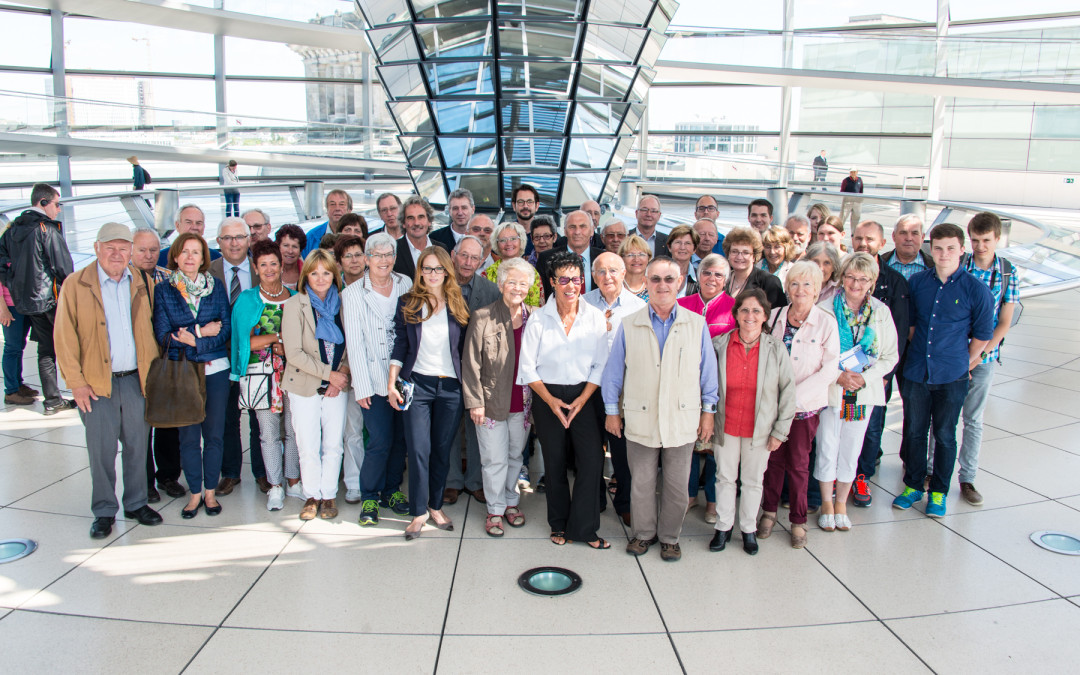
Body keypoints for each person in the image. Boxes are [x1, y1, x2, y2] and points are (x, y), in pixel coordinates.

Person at [603, 257, 718, 562]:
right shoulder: (630, 324)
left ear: (680, 282)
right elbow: (613, 373)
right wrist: (612, 411)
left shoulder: (696, 324)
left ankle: (670, 538)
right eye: (655, 279)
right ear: (647, 284)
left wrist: (709, 412)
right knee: (640, 483)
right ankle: (643, 535)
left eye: (669, 279)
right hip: (641, 418)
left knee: (678, 485)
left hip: (682, 418)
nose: (662, 285)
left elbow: (708, 373)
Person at [55, 222, 163, 538]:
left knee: (136, 445)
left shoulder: (142, 282)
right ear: (97, 248)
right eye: (110, 248)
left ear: (130, 250)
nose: (117, 254)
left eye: (123, 248)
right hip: (95, 383)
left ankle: (136, 502)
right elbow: (63, 338)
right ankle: (104, 510)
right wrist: (76, 383)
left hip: (135, 379)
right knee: (100, 450)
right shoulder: (76, 285)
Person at [893, 223, 994, 519]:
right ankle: (913, 485)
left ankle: (938, 491)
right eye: (938, 248)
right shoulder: (918, 284)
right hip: (916, 372)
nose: (944, 253)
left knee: (945, 434)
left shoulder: (976, 290)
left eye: (951, 248)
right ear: (930, 249)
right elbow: (910, 327)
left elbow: (983, 335)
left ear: (962, 250)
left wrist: (963, 363)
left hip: (952, 376)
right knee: (913, 431)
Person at [518, 251, 609, 549]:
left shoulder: (594, 317)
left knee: (592, 460)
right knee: (554, 462)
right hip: (548, 395)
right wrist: (552, 401)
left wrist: (583, 399)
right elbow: (528, 367)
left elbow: (600, 364)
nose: (571, 286)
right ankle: (558, 524)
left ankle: (584, 528)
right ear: (553, 282)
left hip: (586, 394)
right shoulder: (538, 320)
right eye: (564, 279)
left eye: (577, 279)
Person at [387, 247, 468, 540]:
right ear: (420, 271)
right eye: (427, 268)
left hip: (450, 387)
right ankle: (419, 512)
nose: (432, 274)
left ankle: (436, 506)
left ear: (447, 271)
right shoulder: (407, 303)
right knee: (419, 450)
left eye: (438, 269)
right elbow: (400, 346)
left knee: (441, 449)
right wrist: (391, 382)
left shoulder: (459, 302)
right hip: (417, 386)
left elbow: (466, 349)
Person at [758, 262, 840, 548]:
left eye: (807, 285)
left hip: (804, 409)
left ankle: (798, 520)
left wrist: (793, 399)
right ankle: (768, 512)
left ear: (817, 289)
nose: (800, 290)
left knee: (799, 465)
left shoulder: (826, 322)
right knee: (773, 462)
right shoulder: (777, 315)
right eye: (794, 284)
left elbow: (830, 369)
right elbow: (764, 357)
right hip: (774, 405)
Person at [814, 253, 898, 531]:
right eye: (851, 276)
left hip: (863, 392)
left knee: (851, 448)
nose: (856, 283)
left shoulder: (881, 312)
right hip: (832, 389)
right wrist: (839, 376)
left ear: (872, 282)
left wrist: (864, 379)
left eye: (863, 278)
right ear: (842, 277)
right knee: (827, 446)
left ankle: (841, 503)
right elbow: (815, 351)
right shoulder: (825, 309)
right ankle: (827, 502)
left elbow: (890, 356)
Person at [710, 289, 796, 555]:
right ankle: (723, 527)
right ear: (735, 314)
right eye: (744, 310)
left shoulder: (776, 348)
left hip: (760, 429)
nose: (750, 316)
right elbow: (707, 387)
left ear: (765, 316)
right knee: (724, 478)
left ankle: (748, 529)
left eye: (756, 311)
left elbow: (788, 392)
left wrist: (780, 432)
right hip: (725, 424)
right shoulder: (720, 345)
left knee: (753, 480)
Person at [152, 232, 231, 519]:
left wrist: (192, 339)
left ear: (203, 258)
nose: (189, 257)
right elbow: (163, 335)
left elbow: (223, 330)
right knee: (188, 437)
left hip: (215, 370)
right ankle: (194, 492)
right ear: (175, 256)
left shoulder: (216, 286)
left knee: (213, 436)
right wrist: (199, 333)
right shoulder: (164, 290)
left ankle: (210, 491)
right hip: (183, 371)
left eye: (195, 252)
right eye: (184, 251)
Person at [462, 257, 537, 537]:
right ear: (501, 283)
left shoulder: (535, 317)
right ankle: (494, 509)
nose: (517, 287)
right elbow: (471, 364)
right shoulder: (483, 316)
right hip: (491, 402)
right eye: (511, 281)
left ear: (529, 286)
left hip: (524, 403)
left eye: (522, 283)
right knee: (494, 458)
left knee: (515, 455)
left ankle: (511, 502)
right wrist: (475, 402)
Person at [341, 232, 413, 526]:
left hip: (403, 377)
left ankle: (391, 491)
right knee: (379, 440)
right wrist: (360, 385)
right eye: (377, 255)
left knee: (399, 441)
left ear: (395, 258)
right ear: (367, 259)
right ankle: (370, 494)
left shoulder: (405, 283)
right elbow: (355, 343)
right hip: (372, 378)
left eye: (388, 254)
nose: (383, 260)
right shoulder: (353, 293)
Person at [230, 239, 300, 511]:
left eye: (274, 263)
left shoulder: (295, 298)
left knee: (294, 430)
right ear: (255, 269)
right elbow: (243, 342)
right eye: (263, 265)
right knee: (268, 433)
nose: (270, 269)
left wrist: (272, 341)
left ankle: (294, 482)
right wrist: (276, 338)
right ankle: (275, 486)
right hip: (260, 375)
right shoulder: (247, 299)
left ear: (282, 265)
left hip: (293, 373)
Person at [954, 212, 1019, 506]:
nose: (980, 246)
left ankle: (967, 477)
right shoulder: (959, 265)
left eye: (986, 241)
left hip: (984, 357)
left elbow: (1004, 320)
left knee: (973, 419)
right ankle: (929, 471)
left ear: (997, 239)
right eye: (975, 240)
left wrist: (978, 354)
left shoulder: (1007, 273)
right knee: (942, 416)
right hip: (952, 354)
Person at [281, 249, 351, 521]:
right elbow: (294, 353)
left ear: (334, 275)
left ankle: (329, 493)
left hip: (338, 384)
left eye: (326, 272)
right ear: (305, 276)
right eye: (314, 273)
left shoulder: (344, 303)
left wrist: (341, 373)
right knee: (308, 443)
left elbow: (351, 344)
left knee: (333, 444)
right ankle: (312, 495)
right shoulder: (294, 305)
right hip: (305, 385)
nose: (320, 279)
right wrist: (328, 375)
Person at [0, 183, 76, 415]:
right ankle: (59, 398)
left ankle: (52, 399)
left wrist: (16, 285)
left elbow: (2, 265)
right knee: (65, 346)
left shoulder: (12, 230)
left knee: (44, 350)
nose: (59, 209)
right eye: (56, 204)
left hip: (26, 302)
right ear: (43, 203)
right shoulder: (46, 229)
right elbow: (63, 266)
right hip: (49, 300)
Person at [849, 220, 909, 506]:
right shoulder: (842, 282)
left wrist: (883, 375)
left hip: (875, 376)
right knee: (843, 425)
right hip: (842, 376)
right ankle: (840, 476)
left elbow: (898, 335)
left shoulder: (894, 282)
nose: (864, 243)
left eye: (870, 239)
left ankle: (862, 476)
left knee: (871, 426)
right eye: (859, 238)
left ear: (882, 243)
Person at [585, 252, 646, 526]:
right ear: (593, 275)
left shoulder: (638, 307)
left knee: (622, 450)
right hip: (588, 387)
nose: (607, 276)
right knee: (590, 449)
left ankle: (625, 502)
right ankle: (594, 499)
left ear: (623, 273)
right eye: (601, 271)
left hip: (623, 389)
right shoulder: (582, 303)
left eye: (612, 270)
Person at [211, 217, 267, 496]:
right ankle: (230, 472)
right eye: (227, 238)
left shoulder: (263, 269)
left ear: (249, 240)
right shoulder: (207, 272)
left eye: (239, 237)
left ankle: (262, 471)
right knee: (226, 417)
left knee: (260, 415)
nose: (233, 243)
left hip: (258, 355)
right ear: (218, 242)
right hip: (221, 357)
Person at [678, 253, 735, 524]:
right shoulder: (681, 304)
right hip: (684, 385)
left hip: (722, 387)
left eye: (718, 275)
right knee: (687, 442)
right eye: (707, 273)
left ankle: (712, 500)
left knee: (714, 445)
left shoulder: (735, 308)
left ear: (726, 280)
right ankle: (689, 495)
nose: (712, 278)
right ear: (697, 275)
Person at [444, 235, 500, 505]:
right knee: (450, 427)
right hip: (446, 367)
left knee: (478, 427)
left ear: (481, 261)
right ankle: (452, 481)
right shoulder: (439, 287)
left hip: (480, 371)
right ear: (453, 255)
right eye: (463, 255)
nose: (467, 262)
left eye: (474, 257)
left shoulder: (491, 291)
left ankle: (476, 481)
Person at [130, 228, 185, 503]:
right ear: (131, 250)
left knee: (167, 424)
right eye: (142, 250)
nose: (148, 255)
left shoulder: (169, 278)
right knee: (139, 428)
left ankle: (168, 476)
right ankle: (144, 482)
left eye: (153, 250)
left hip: (167, 361)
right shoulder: (124, 279)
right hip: (136, 363)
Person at [334, 235, 367, 504]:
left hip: (372, 370)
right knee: (352, 430)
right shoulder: (333, 293)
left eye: (358, 254)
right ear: (339, 262)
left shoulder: (377, 287)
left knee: (378, 432)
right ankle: (354, 483)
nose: (354, 260)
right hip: (345, 372)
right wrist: (346, 366)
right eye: (348, 256)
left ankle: (376, 479)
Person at [537, 210, 604, 297]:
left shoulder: (603, 258)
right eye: (572, 227)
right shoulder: (546, 258)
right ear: (565, 231)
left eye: (583, 226)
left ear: (591, 231)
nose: (577, 232)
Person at [722, 227, 786, 310]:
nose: (739, 256)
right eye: (734, 251)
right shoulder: (721, 279)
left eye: (746, 252)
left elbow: (776, 315)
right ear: (728, 254)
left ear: (754, 257)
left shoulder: (769, 282)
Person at [394, 196, 450, 280]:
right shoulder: (394, 249)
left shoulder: (442, 248)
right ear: (403, 223)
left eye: (421, 217)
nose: (416, 223)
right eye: (411, 218)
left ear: (429, 221)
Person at [486, 222, 542, 306]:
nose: (508, 243)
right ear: (497, 244)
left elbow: (538, 306)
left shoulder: (532, 272)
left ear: (521, 241)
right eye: (503, 240)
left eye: (513, 239)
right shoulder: (488, 273)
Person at [1, 277, 36, 405]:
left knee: (19, 346)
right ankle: (11, 391)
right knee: (12, 347)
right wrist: (3, 309)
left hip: (23, 303)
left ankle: (18, 385)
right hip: (10, 306)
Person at [301, 189, 354, 258]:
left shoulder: (357, 235)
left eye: (341, 204)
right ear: (326, 209)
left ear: (349, 210)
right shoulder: (312, 238)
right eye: (332, 204)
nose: (337, 208)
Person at [881, 214, 932, 280]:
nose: (909, 238)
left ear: (922, 237)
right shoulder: (879, 264)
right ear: (894, 236)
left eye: (914, 233)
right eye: (903, 233)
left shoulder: (934, 267)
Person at [665, 225, 698, 298]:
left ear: (694, 249)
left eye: (688, 243)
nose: (682, 247)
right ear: (669, 247)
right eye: (678, 242)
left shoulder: (700, 277)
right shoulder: (658, 273)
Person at [619, 234, 652, 301]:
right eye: (630, 255)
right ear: (622, 258)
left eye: (641, 254)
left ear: (648, 258)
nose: (636, 259)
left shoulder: (655, 286)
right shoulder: (614, 285)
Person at [275, 224, 306, 291]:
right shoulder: (270, 271)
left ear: (300, 250)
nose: (290, 251)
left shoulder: (307, 272)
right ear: (278, 246)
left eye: (295, 247)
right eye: (286, 245)